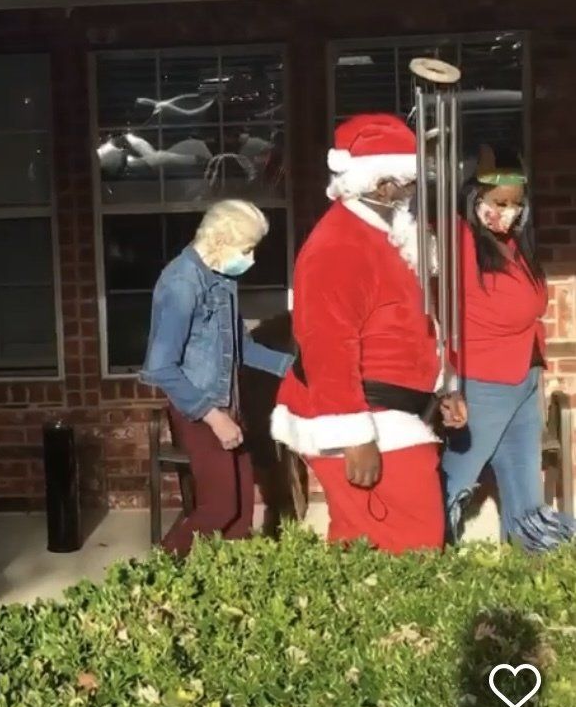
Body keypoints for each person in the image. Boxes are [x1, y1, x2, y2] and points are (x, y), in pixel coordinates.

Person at [271, 113, 465, 553]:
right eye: (409, 182)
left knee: (377, 546)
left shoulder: (389, 234)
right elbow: (326, 346)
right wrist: (354, 436)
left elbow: (410, 325)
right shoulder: (338, 246)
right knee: (408, 545)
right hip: (364, 417)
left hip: (396, 412)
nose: (416, 191)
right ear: (381, 186)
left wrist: (442, 387)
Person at [141, 199, 292, 556]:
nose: (251, 258)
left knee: (240, 513)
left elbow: (241, 348)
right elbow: (161, 366)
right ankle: (152, 579)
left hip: (227, 402)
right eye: (247, 248)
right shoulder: (181, 283)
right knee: (219, 507)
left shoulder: (220, 280)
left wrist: (294, 368)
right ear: (221, 240)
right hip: (199, 409)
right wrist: (214, 418)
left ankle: (229, 593)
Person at [441, 145, 551, 543]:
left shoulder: (515, 245)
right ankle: (426, 554)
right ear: (476, 198)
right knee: (457, 478)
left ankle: (532, 562)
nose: (507, 211)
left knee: (525, 482)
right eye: (498, 202)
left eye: (515, 204)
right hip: (484, 379)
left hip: (525, 373)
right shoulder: (461, 240)